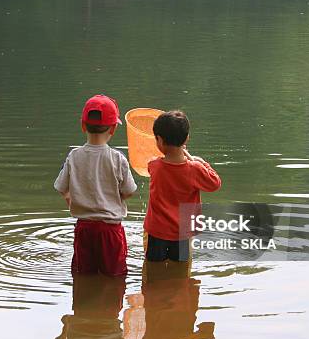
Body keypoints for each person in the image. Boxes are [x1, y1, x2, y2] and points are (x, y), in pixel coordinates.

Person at [54, 94, 137, 276]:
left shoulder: (74, 156)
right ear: (113, 129)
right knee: (115, 278)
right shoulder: (117, 159)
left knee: (84, 275)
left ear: (83, 125)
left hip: (84, 229)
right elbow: (130, 191)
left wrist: (71, 199)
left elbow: (61, 187)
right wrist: (115, 198)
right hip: (110, 231)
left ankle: (85, 303)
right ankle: (112, 304)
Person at [144, 110, 221, 262]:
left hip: (157, 231)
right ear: (186, 138)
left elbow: (158, 163)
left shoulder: (154, 166)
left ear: (159, 140)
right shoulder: (195, 169)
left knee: (153, 270)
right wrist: (202, 163)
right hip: (183, 234)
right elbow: (215, 183)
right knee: (181, 272)